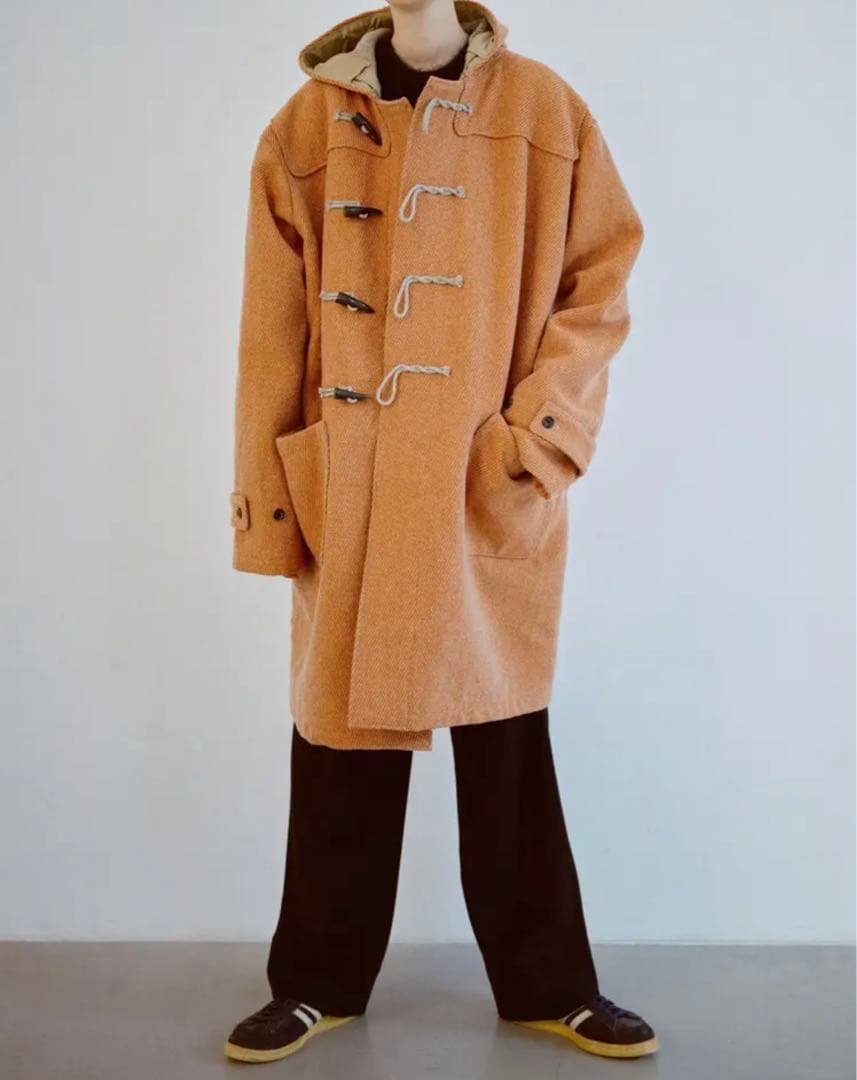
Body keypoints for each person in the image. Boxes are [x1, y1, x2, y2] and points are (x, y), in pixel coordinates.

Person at [225, 0, 654, 1064]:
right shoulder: (304, 126)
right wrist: (272, 503)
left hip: (480, 480)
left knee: (503, 728)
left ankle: (549, 985)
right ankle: (315, 981)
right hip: (354, 481)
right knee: (340, 733)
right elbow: (270, 333)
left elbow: (598, 283)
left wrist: (536, 439)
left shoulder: (543, 110)